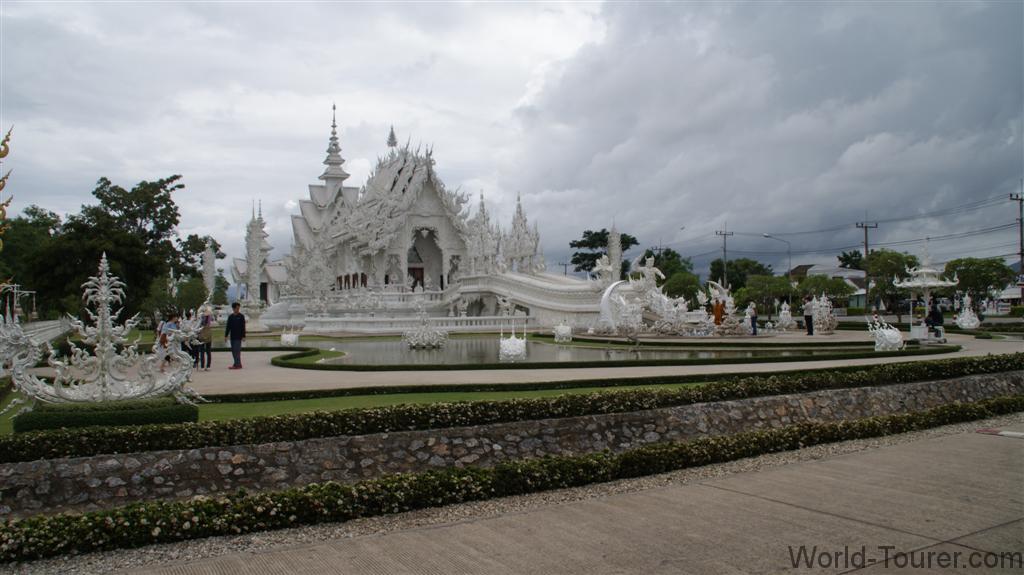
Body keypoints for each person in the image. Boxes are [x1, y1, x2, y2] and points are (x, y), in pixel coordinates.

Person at [225, 302, 246, 369]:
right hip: (232, 336)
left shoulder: (241, 316)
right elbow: (228, 327)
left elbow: (243, 327)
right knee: (233, 351)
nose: (238, 309)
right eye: (237, 308)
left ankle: (238, 365)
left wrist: (243, 336)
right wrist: (226, 335)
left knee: (237, 350)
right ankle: (236, 363)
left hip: (238, 337)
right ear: (233, 308)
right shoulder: (231, 317)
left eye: (238, 308)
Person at [197, 305, 214, 371]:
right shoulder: (209, 317)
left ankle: (202, 366)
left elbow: (199, 325)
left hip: (202, 334)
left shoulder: (201, 317)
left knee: (202, 351)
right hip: (208, 334)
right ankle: (208, 365)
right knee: (208, 351)